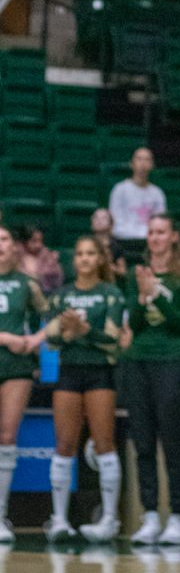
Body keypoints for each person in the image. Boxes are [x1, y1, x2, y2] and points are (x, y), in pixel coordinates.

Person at [44, 235, 126, 541]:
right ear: (74, 260)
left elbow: (113, 340)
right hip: (69, 372)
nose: (85, 259)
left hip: (99, 373)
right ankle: (60, 519)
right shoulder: (61, 296)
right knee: (64, 444)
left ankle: (108, 519)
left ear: (100, 259)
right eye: (80, 254)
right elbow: (50, 340)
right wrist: (67, 333)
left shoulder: (111, 295)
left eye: (91, 253)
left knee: (104, 442)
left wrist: (83, 331)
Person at [125, 214, 180, 546]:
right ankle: (150, 514)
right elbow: (135, 326)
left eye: (161, 232)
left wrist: (157, 295)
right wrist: (141, 297)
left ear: (173, 237)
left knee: (171, 441)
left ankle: (178, 516)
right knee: (142, 442)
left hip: (171, 361)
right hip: (138, 361)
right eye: (151, 232)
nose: (155, 238)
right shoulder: (135, 275)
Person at [0, 225, 48, 543]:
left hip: (16, 368)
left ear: (14, 247)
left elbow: (54, 317)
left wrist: (34, 340)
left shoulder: (26, 284)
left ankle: (0, 515)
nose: (0, 245)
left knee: (7, 436)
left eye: (4, 239)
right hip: (8, 350)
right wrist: (6, 337)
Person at [108, 148, 166, 249]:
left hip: (149, 242)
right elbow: (115, 222)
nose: (143, 163)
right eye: (139, 159)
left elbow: (160, 222)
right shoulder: (120, 189)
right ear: (132, 164)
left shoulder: (157, 193)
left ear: (152, 165)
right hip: (122, 241)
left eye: (147, 160)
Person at [14, 226, 63, 295]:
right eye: (34, 241)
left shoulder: (47, 256)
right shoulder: (14, 255)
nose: (38, 245)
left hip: (46, 295)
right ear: (24, 242)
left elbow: (55, 278)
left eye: (40, 241)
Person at [90, 209, 127, 283]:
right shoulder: (86, 244)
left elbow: (123, 271)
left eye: (104, 218)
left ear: (111, 224)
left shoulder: (116, 247)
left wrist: (111, 268)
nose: (99, 220)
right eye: (96, 217)